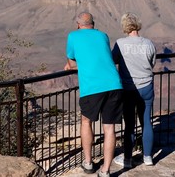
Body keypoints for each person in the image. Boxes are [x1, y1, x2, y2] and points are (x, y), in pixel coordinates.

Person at [64, 12, 123, 177]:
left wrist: (70, 66)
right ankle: (105, 171)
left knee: (86, 121)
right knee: (109, 127)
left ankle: (88, 163)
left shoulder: (73, 36)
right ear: (93, 23)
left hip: (92, 86)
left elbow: (72, 62)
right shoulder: (103, 35)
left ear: (78, 25)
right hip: (114, 84)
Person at [111, 12, 156, 168]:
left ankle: (128, 160)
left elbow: (113, 60)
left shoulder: (120, 44)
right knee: (146, 122)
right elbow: (152, 63)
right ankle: (148, 157)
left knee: (129, 124)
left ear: (125, 27)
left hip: (128, 89)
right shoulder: (148, 43)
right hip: (147, 87)